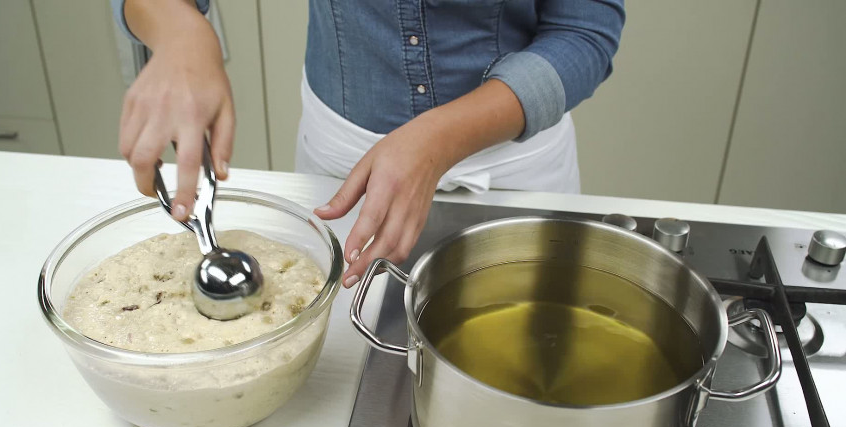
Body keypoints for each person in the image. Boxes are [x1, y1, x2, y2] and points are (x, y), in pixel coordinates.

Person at [111, 0, 625, 288]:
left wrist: (440, 138)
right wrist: (182, 32)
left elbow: (585, 31)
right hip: (342, 177)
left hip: (515, 172)